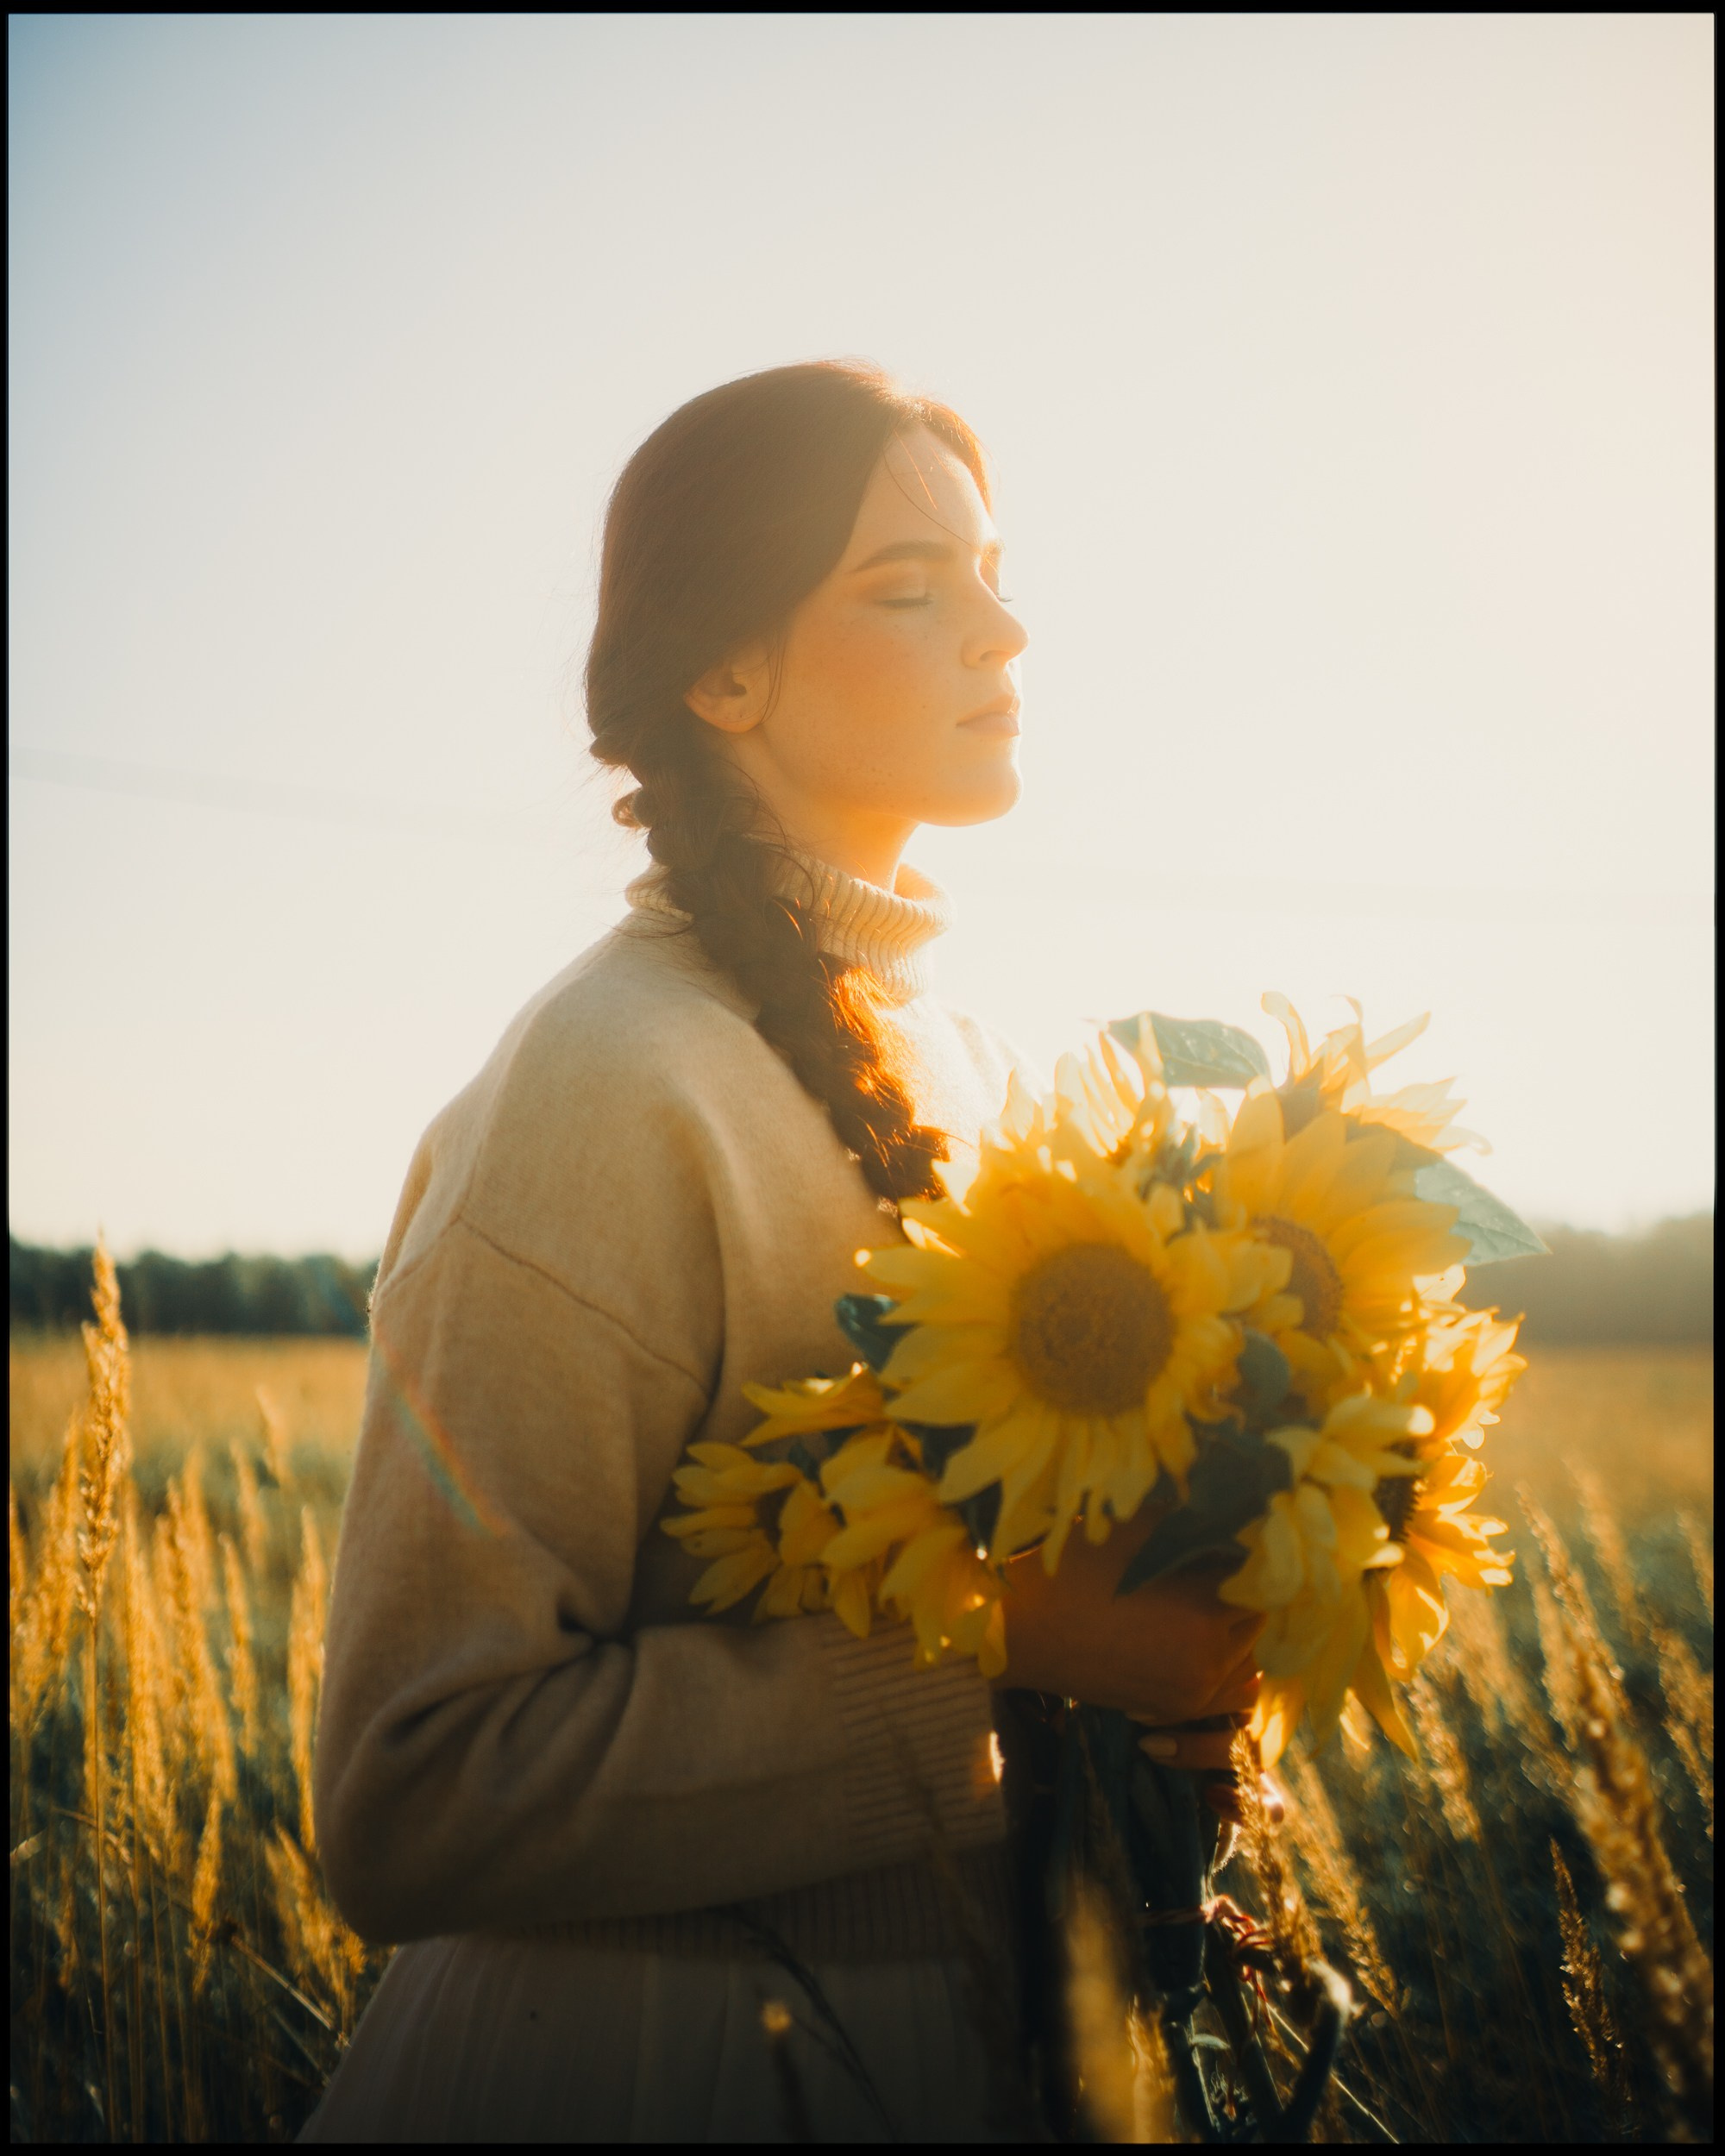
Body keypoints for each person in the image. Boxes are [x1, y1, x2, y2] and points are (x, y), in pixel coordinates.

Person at [299, 360, 1264, 2144]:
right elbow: (408, 1792)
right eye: (910, 588)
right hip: (642, 2065)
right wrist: (1005, 1655)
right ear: (720, 672)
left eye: (991, 569)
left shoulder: (979, 1067)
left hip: (964, 2046)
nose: (1005, 630)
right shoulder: (607, 1084)